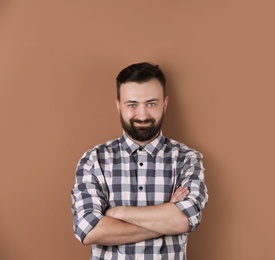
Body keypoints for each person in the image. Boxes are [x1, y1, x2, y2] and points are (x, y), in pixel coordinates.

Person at [71, 62, 208, 260]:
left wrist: (118, 213)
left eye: (151, 103)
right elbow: (89, 230)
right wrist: (165, 219)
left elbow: (185, 220)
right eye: (132, 104)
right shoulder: (94, 160)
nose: (142, 115)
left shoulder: (188, 159)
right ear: (119, 106)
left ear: (165, 104)